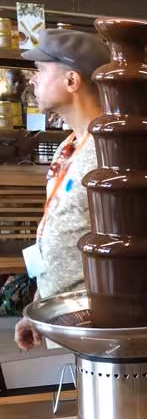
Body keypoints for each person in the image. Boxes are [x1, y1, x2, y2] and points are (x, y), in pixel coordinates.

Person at [14, 29, 110, 351]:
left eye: (40, 71)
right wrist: (39, 306)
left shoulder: (111, 151)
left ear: (71, 81)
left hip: (98, 323)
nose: (33, 81)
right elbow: (61, 227)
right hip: (64, 313)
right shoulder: (68, 146)